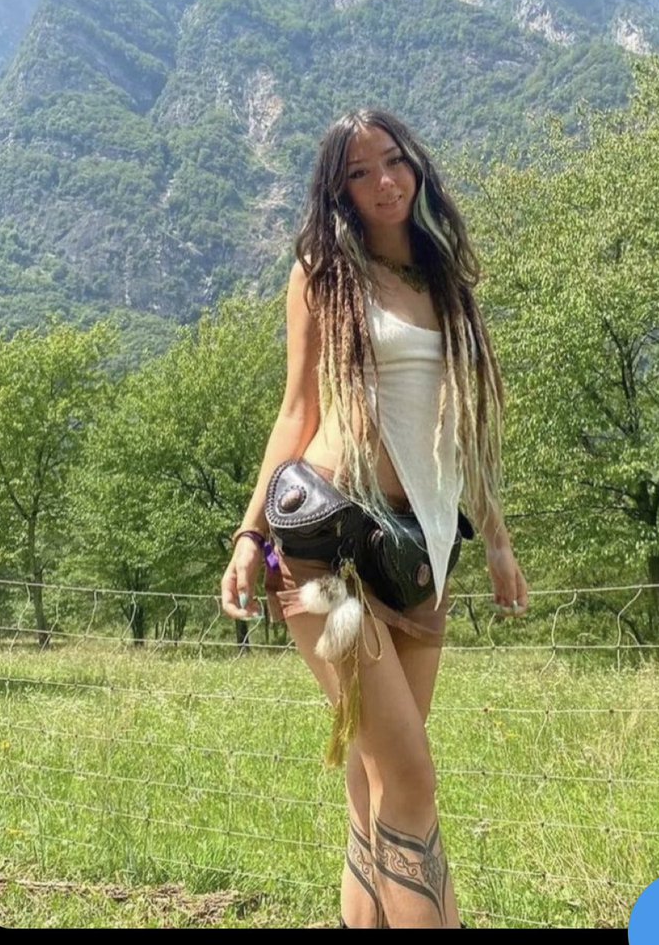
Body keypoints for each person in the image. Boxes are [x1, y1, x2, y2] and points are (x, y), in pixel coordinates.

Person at [221, 109, 528, 929]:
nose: (384, 181)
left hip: (421, 548)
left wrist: (497, 541)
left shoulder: (442, 277)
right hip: (329, 549)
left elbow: (464, 428)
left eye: (393, 161)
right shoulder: (323, 272)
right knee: (411, 778)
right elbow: (296, 411)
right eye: (360, 172)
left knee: (375, 776)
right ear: (339, 191)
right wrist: (250, 536)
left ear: (415, 165)